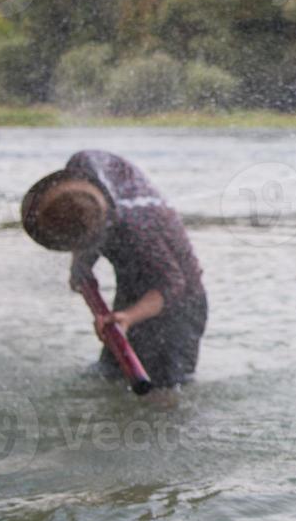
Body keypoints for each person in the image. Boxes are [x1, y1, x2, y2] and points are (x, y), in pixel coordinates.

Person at [21, 150, 207, 388]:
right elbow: (83, 214)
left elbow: (173, 284)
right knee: (109, 378)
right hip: (132, 285)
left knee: (163, 392)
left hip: (179, 304)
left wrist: (128, 317)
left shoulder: (138, 232)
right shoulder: (84, 165)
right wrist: (82, 264)